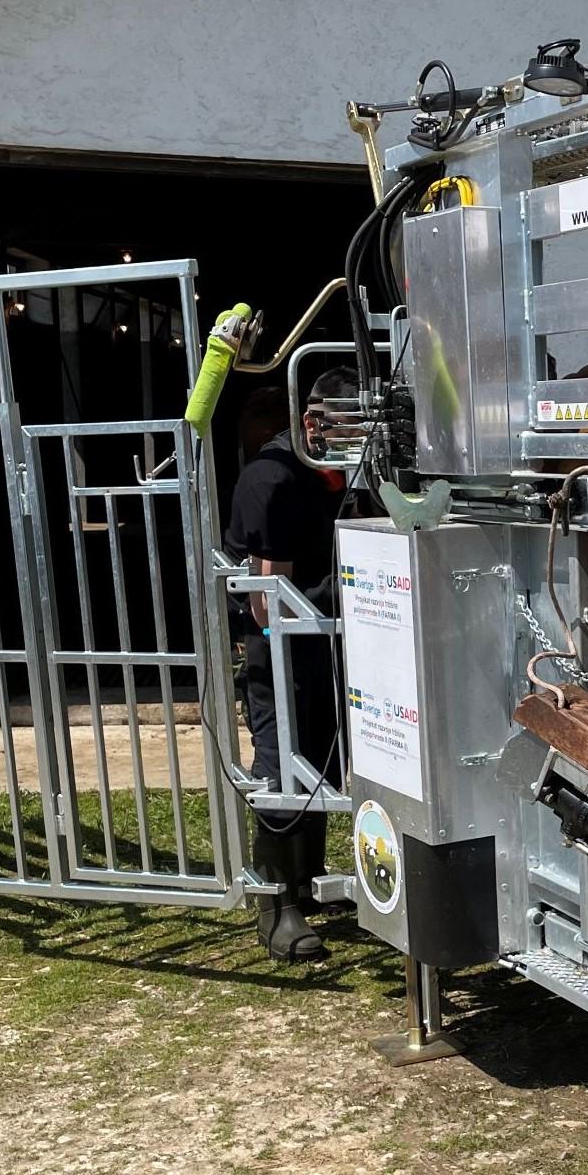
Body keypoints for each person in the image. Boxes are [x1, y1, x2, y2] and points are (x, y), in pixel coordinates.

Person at [225, 367, 352, 963]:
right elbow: (265, 600)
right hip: (281, 644)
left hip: (331, 639)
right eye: (348, 430)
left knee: (328, 749)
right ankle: (276, 905)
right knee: (282, 759)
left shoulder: (343, 474)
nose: (357, 445)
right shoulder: (270, 478)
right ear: (312, 422)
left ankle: (311, 879)